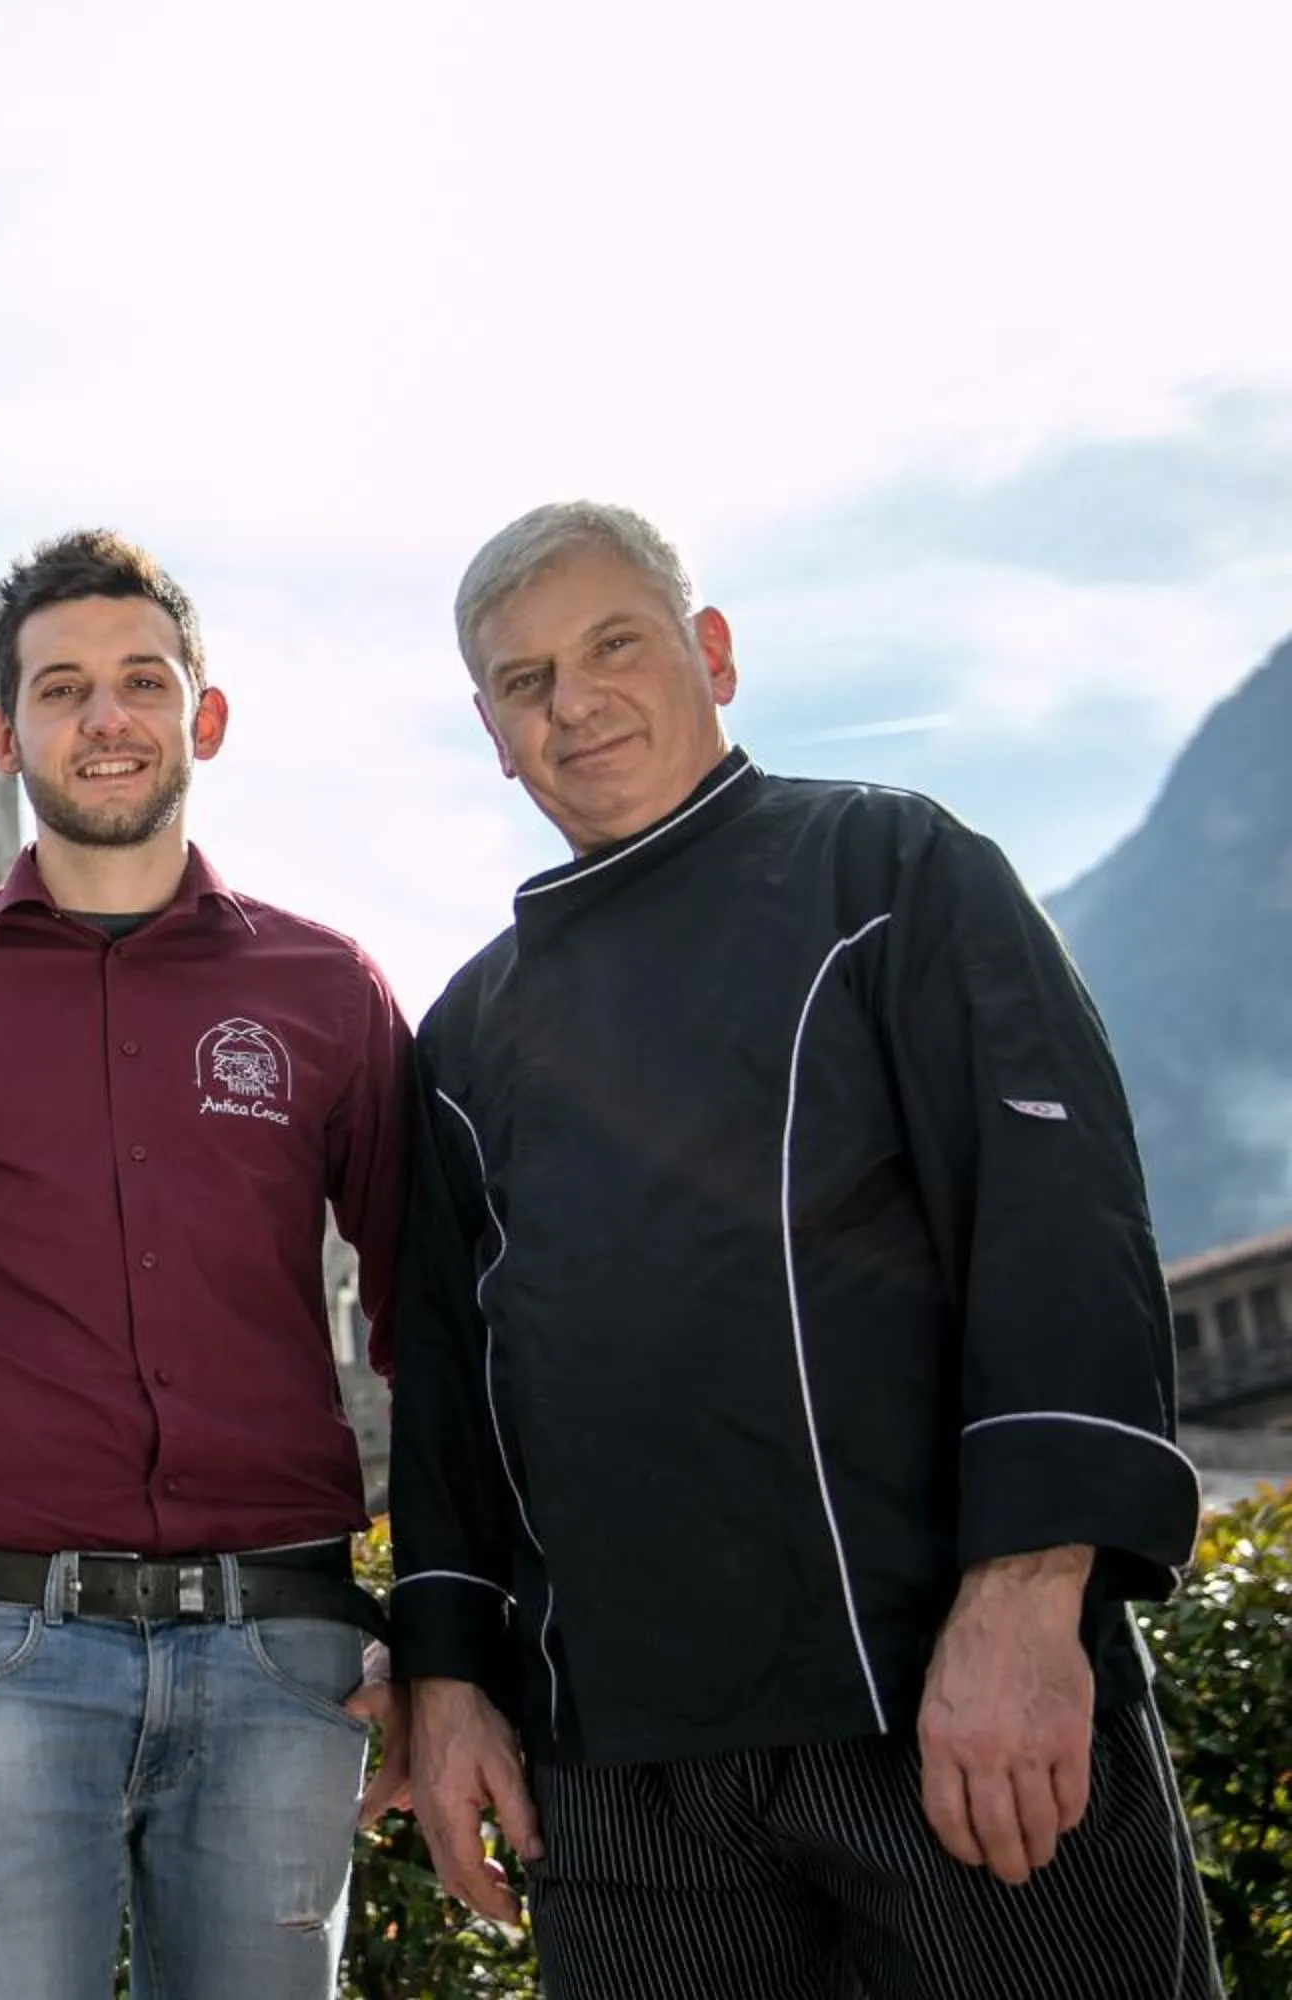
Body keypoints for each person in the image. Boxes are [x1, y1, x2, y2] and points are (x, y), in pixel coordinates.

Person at [392, 501, 1219, 1998]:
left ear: (710, 649)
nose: (573, 701)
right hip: (628, 1799)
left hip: (943, 1726)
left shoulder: (895, 872)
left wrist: (1028, 1607)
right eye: (525, 682)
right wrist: (450, 1682)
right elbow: (454, 1395)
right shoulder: (462, 1036)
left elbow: (1059, 1229)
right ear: (493, 735)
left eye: (613, 645)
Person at [0, 528, 416, 2000]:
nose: (106, 718)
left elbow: (431, 1325)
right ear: (0, 731)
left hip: (286, 1657)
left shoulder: (327, 990)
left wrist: (443, 1636)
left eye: (142, 681)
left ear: (203, 715)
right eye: (63, 687)